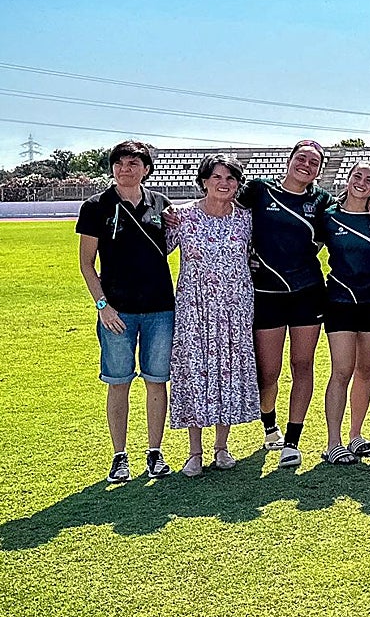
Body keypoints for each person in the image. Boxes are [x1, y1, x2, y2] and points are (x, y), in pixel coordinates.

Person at [77, 140, 175, 482]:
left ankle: (155, 452)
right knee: (118, 383)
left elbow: (174, 244)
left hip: (161, 309)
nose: (125, 169)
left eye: (133, 163)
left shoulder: (161, 204)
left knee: (156, 381)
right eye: (119, 163)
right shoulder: (95, 206)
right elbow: (87, 264)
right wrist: (103, 305)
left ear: (146, 169)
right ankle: (119, 456)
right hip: (116, 312)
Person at [237, 140, 336, 468]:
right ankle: (270, 426)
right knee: (268, 372)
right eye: (301, 158)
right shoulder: (259, 191)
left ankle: (293, 439)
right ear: (290, 160)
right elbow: (220, 205)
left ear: (320, 170)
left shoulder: (322, 201)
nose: (306, 165)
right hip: (267, 294)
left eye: (314, 162)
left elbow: (349, 214)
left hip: (307, 292)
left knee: (302, 365)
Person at [167, 154, 259, 477]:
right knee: (195, 371)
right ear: (204, 181)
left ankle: (222, 446)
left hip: (235, 308)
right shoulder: (183, 217)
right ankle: (194, 452)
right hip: (195, 310)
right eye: (217, 177)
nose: (224, 183)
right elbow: (157, 248)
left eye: (231, 178)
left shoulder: (246, 218)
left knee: (227, 373)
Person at [320, 161, 370, 465]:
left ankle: (355, 434)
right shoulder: (329, 216)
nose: (362, 182)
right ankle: (332, 442)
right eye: (357, 176)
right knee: (342, 370)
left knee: (365, 370)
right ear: (348, 179)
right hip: (339, 301)